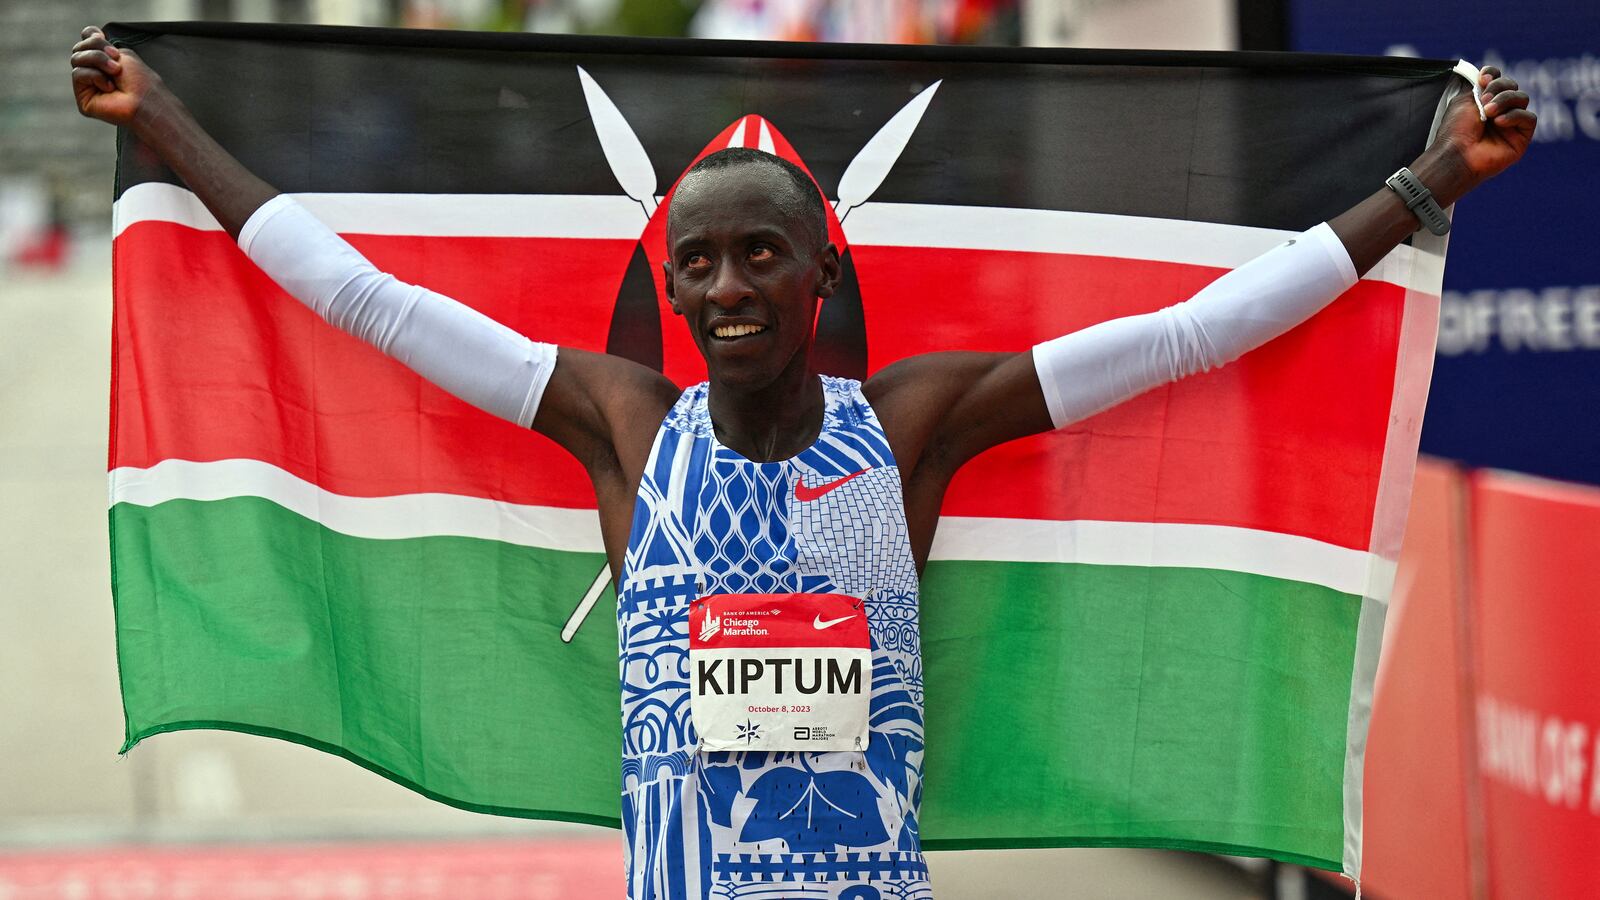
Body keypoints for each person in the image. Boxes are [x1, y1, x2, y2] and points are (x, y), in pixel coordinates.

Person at [72, 25, 1533, 900]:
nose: (728, 288)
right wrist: (165, 122)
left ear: (823, 268)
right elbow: (367, 300)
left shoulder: (906, 426)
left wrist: (1426, 185)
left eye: (761, 254)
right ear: (669, 285)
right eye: (699, 262)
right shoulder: (625, 425)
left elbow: (1188, 335)